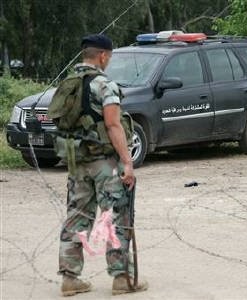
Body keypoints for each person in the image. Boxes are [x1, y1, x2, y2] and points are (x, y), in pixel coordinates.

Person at [57, 34, 148, 296]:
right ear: (103, 56)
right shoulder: (104, 85)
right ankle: (121, 278)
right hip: (104, 164)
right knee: (115, 217)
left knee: (77, 217)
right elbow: (112, 124)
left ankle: (70, 278)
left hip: (77, 162)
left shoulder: (68, 84)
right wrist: (128, 163)